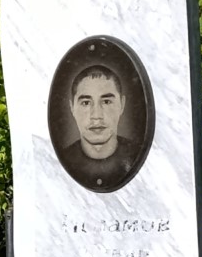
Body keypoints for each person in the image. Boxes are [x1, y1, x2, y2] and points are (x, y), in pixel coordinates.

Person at [55, 59, 146, 191]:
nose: (96, 115)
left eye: (106, 102)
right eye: (86, 103)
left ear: (122, 104)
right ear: (72, 107)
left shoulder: (138, 156)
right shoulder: (60, 161)